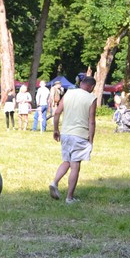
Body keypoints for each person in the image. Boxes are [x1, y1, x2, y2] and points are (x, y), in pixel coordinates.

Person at [50, 76, 97, 204]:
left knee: (66, 160)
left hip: (65, 133)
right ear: (92, 87)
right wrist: (91, 139)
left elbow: (57, 112)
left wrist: (56, 129)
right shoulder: (91, 98)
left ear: (81, 83)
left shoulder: (68, 93)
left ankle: (54, 182)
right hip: (80, 134)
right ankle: (69, 198)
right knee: (75, 165)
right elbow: (91, 121)